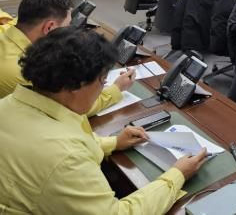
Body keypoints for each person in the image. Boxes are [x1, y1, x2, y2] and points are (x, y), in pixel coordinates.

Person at [0, 27, 208, 214]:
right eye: (102, 81)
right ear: (76, 86)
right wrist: (177, 175)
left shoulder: (7, 105)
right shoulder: (67, 157)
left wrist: (114, 142)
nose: (103, 88)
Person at [0, 0, 133, 116]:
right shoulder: (23, 72)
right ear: (49, 27)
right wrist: (117, 88)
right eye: (68, 24)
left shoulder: (8, 34)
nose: (70, 29)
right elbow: (71, 107)